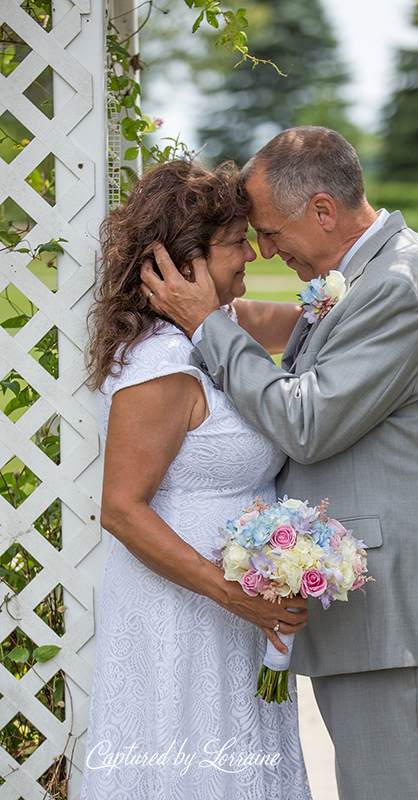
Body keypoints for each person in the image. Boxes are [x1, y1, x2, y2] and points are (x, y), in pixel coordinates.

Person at [140, 127, 418, 800]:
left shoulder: (400, 283)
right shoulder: (372, 274)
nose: (267, 250)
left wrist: (206, 327)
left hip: (403, 621)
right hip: (383, 620)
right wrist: (209, 308)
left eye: (272, 233)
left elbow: (306, 422)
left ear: (322, 210)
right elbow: (309, 346)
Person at [81, 160, 312, 800]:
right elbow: (122, 510)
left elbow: (305, 324)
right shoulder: (161, 365)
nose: (251, 257)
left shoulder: (220, 325)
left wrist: (354, 297)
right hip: (182, 612)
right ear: (188, 259)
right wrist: (232, 594)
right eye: (237, 242)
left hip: (237, 610)